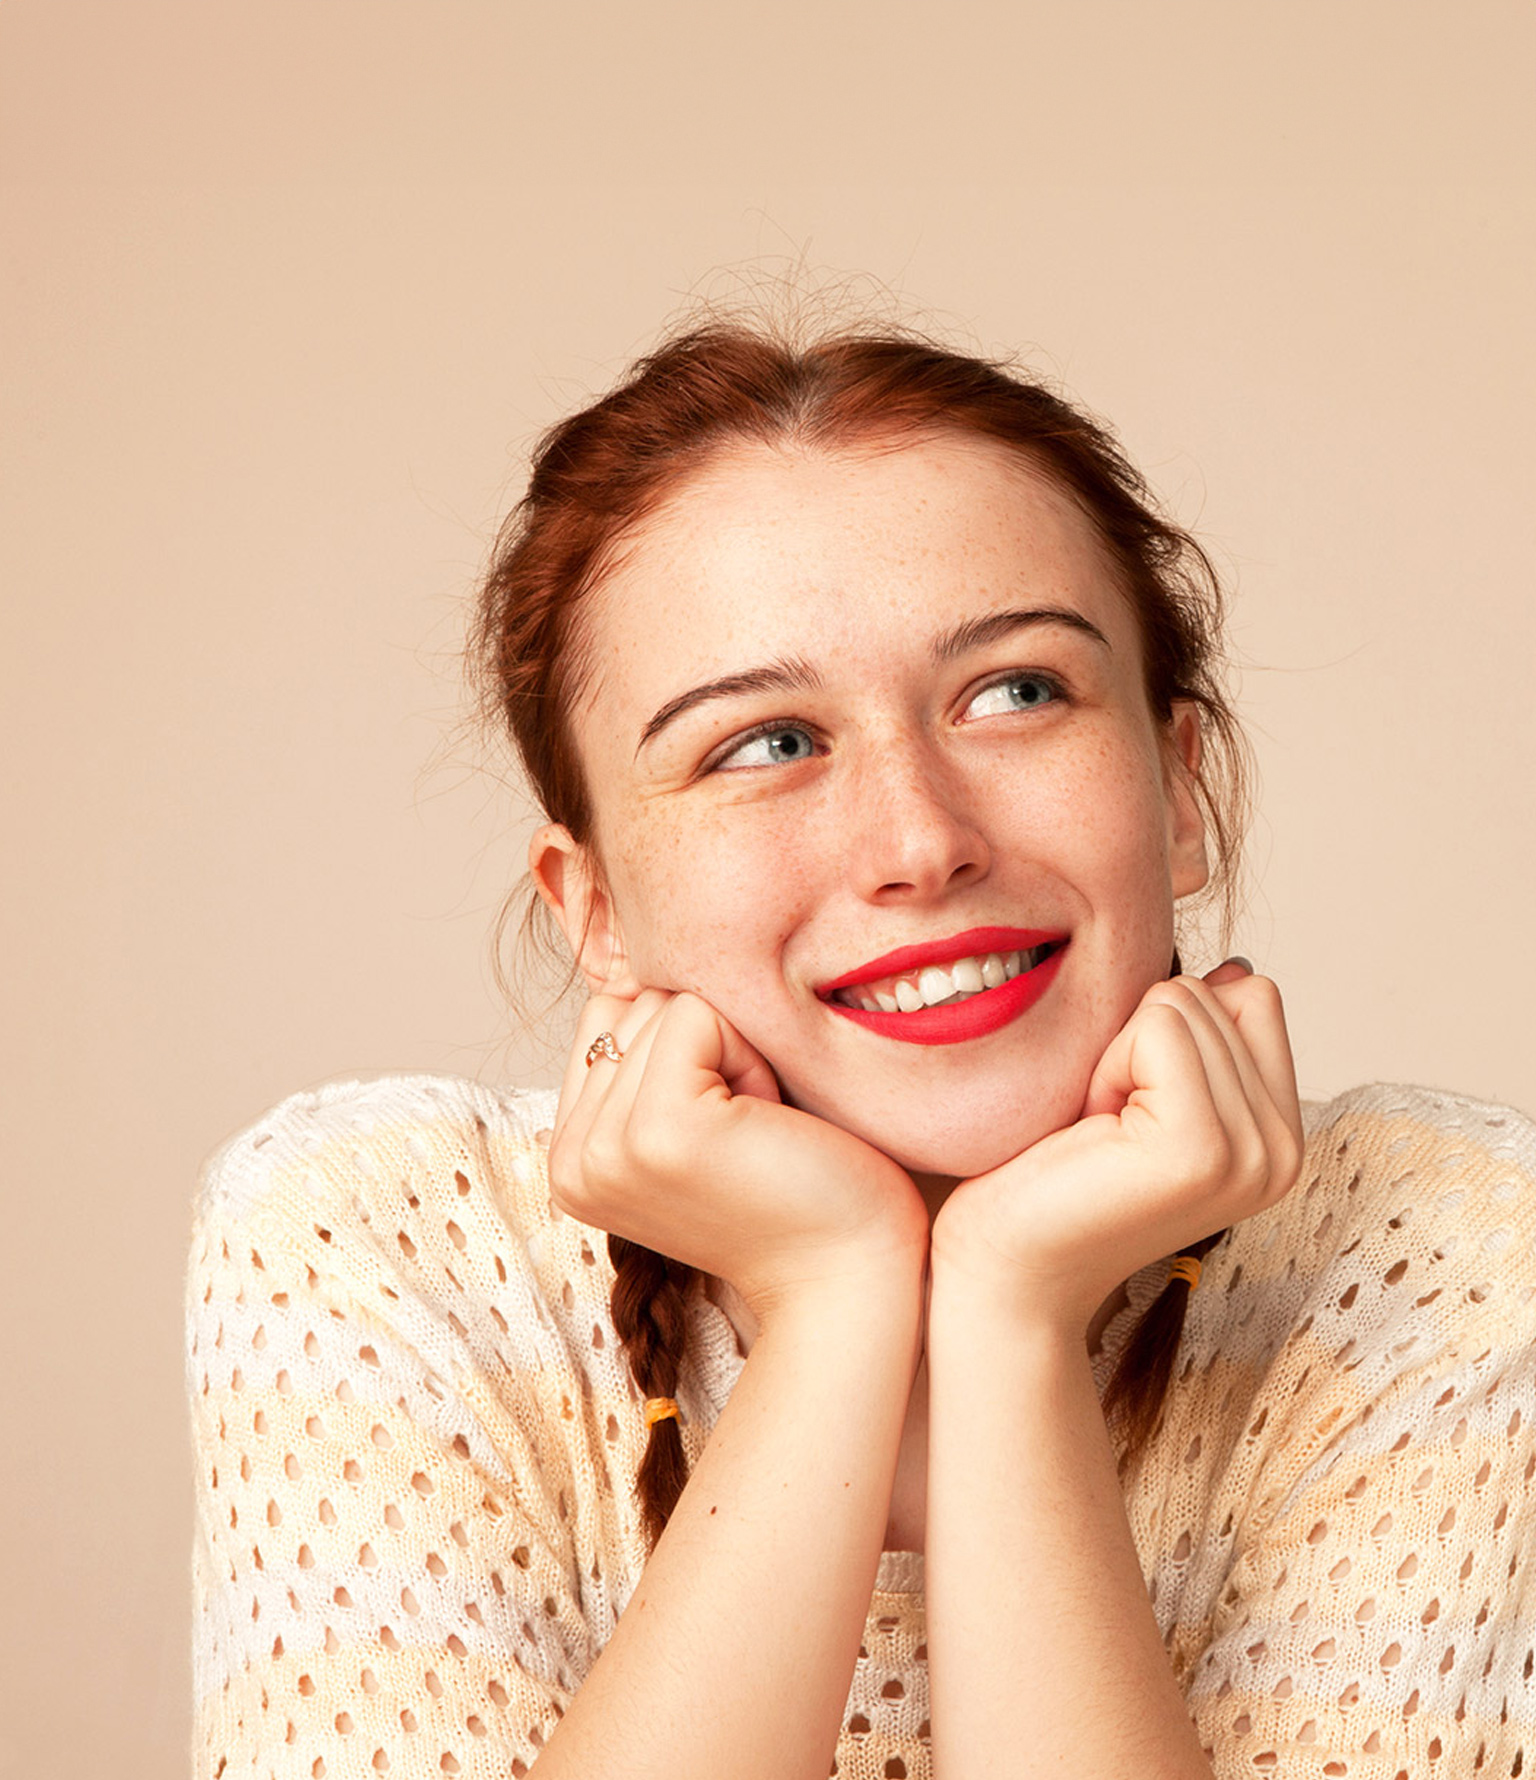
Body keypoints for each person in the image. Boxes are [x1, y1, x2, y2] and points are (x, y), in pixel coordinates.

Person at [187, 318, 1536, 1779]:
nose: (920, 843)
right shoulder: (381, 1241)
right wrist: (837, 1297)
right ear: (596, 914)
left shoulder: (1445, 1248)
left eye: (1017, 691)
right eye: (764, 742)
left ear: (1183, 784)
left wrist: (1010, 1314)